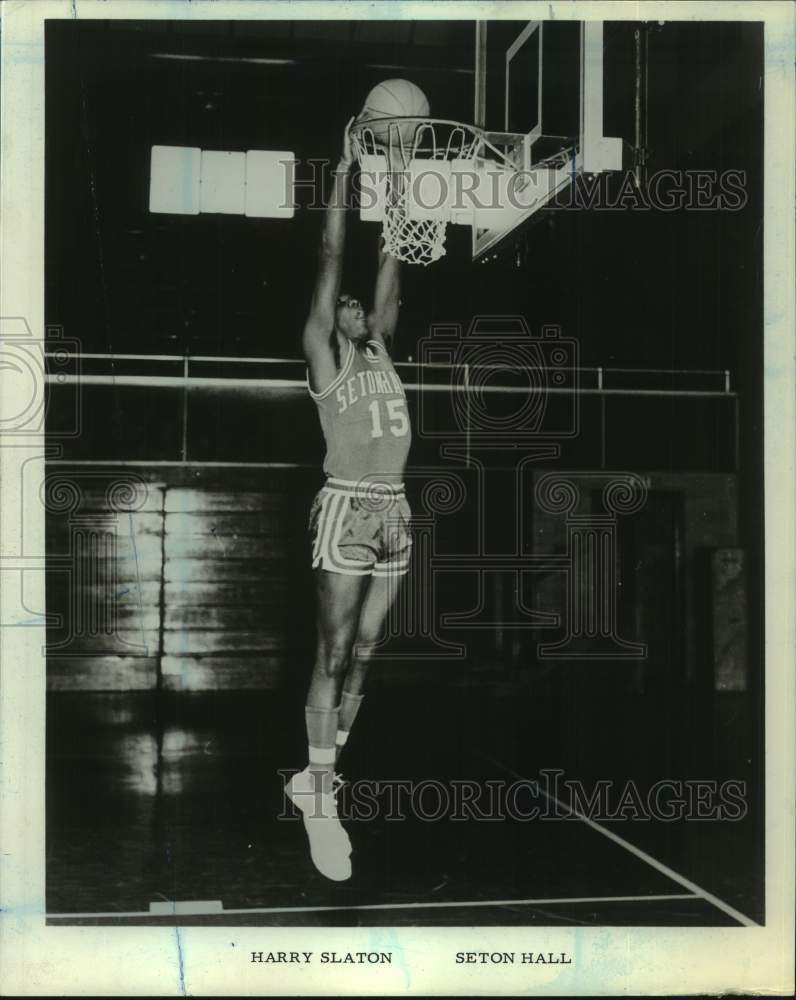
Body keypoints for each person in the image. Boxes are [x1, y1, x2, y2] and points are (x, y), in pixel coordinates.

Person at [285, 119, 412, 881]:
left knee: (367, 653)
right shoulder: (324, 356)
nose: (359, 308)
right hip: (345, 509)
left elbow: (392, 256)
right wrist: (344, 171)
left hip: (395, 510)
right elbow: (334, 256)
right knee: (332, 652)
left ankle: (317, 777)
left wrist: (394, 179)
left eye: (364, 308)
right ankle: (321, 798)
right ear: (331, 323)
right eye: (349, 307)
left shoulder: (381, 346)